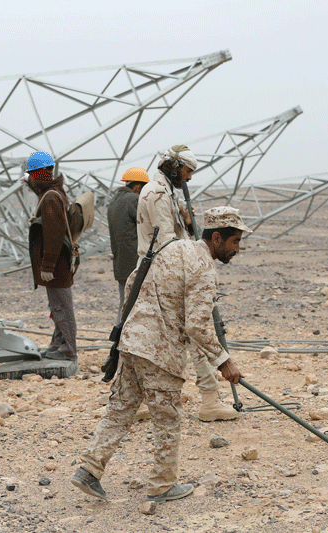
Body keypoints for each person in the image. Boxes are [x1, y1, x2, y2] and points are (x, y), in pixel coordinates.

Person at [72, 206, 250, 504]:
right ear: (217, 238)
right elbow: (196, 325)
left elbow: (132, 282)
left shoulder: (174, 247)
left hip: (131, 342)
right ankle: (162, 485)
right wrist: (224, 361)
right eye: (235, 242)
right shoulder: (204, 268)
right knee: (167, 418)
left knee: (121, 408)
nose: (238, 250)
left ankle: (89, 470)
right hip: (159, 352)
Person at [136, 144, 238, 422]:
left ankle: (207, 398)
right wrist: (196, 262)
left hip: (169, 273)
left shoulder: (167, 192)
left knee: (173, 336)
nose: (189, 177)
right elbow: (166, 246)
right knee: (184, 333)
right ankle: (208, 399)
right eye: (187, 170)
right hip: (164, 275)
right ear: (174, 166)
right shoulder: (157, 193)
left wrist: (187, 222)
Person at [25, 151, 78, 362]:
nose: (29, 178)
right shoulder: (51, 193)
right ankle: (58, 345)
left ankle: (68, 350)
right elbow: (41, 186)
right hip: (58, 265)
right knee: (57, 308)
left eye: (31, 174)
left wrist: (47, 265)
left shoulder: (50, 198)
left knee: (62, 308)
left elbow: (54, 234)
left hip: (56, 266)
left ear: (38, 174)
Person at [107, 167, 149, 323]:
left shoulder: (114, 201)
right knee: (136, 306)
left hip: (121, 264)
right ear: (138, 187)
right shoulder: (133, 199)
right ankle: (123, 341)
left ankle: (118, 341)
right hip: (135, 264)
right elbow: (149, 224)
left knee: (124, 304)